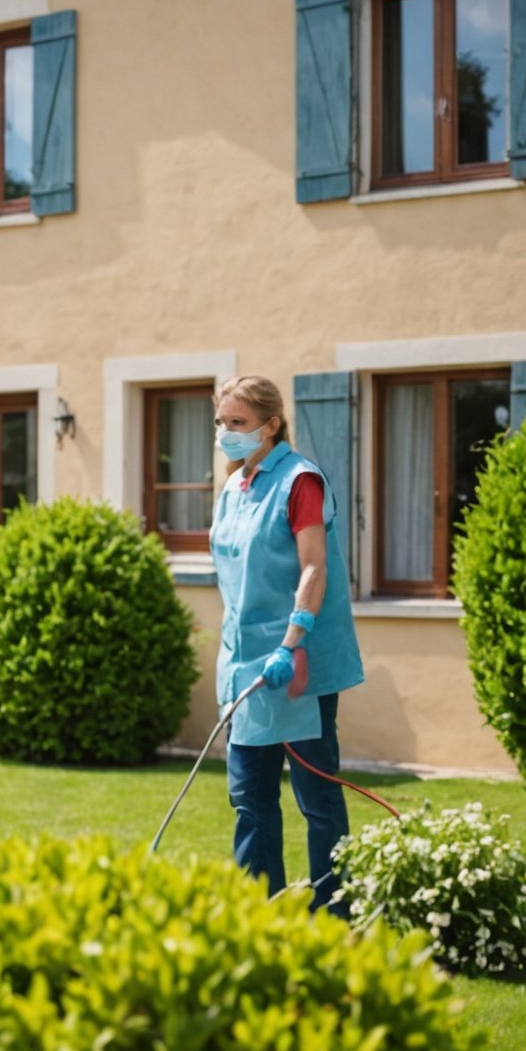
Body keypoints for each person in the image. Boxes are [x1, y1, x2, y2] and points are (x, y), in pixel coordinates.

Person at [210, 374, 363, 917]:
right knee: (250, 798)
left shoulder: (301, 481)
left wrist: (291, 641)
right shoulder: (234, 488)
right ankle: (260, 912)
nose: (227, 434)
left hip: (293, 663)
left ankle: (335, 912)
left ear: (271, 426)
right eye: (222, 423)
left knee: (316, 798)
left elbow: (313, 568)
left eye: (239, 424)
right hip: (245, 665)